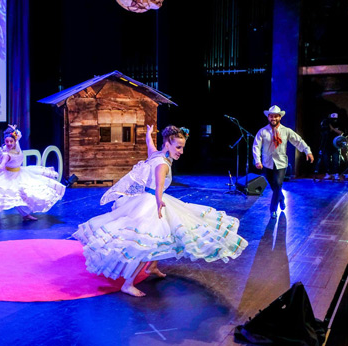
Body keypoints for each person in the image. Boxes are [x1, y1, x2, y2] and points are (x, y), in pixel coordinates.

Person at [73, 125, 248, 297]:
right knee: (146, 241)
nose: (181, 151)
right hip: (151, 202)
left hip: (148, 200)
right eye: (178, 147)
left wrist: (148, 134)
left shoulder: (156, 154)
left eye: (182, 147)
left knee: (164, 233)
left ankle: (152, 266)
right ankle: (128, 284)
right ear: (167, 145)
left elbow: (150, 145)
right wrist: (158, 201)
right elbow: (159, 186)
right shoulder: (163, 164)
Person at [0, 125, 65, 228]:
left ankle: (25, 214)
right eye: (7, 141)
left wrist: (14, 130)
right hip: (8, 176)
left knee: (20, 195)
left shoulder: (16, 142)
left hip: (19, 173)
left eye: (11, 141)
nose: (9, 144)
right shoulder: (6, 154)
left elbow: (18, 135)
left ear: (14, 140)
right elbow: (1, 166)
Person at [253, 105, 314, 219]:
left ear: (280, 117)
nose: (273, 119)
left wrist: (307, 151)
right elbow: (256, 146)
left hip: (281, 163)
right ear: (268, 117)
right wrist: (257, 160)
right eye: (271, 116)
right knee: (274, 186)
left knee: (278, 184)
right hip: (267, 163)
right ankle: (281, 198)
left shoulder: (286, 131)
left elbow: (298, 141)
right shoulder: (262, 131)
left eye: (276, 116)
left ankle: (272, 210)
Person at [319, 112, 344, 180]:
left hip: (335, 145)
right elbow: (323, 134)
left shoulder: (339, 124)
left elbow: (341, 133)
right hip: (327, 145)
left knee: (336, 160)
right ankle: (328, 174)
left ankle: (336, 174)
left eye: (335, 119)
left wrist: (333, 129)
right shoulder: (326, 124)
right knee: (326, 160)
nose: (333, 120)